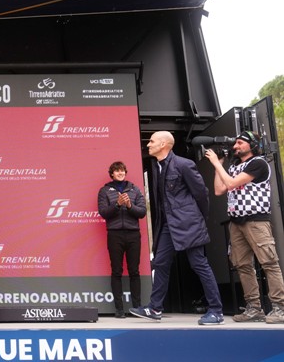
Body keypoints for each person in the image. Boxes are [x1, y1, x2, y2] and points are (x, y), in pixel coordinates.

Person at [129, 131, 224, 325]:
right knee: (160, 262)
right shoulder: (157, 166)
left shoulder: (184, 164)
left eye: (152, 141)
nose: (148, 144)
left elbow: (201, 193)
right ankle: (155, 308)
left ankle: (216, 311)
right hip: (168, 224)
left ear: (163, 144)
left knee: (199, 264)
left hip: (188, 223)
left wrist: (197, 218)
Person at [205, 130, 284, 323]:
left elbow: (231, 184)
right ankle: (254, 308)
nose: (236, 146)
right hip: (236, 221)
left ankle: (280, 307)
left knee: (268, 262)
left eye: (240, 143)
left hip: (256, 220)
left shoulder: (258, 163)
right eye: (236, 143)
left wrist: (216, 163)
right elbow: (219, 189)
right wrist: (218, 166)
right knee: (242, 265)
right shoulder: (234, 166)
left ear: (253, 145)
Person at [97, 161, 146, 318]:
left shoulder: (135, 189)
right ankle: (119, 310)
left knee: (134, 271)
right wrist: (117, 205)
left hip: (133, 234)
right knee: (116, 271)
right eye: (117, 171)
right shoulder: (104, 190)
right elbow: (103, 212)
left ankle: (137, 308)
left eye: (122, 170)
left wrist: (130, 205)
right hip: (114, 234)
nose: (120, 173)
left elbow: (142, 212)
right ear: (112, 174)